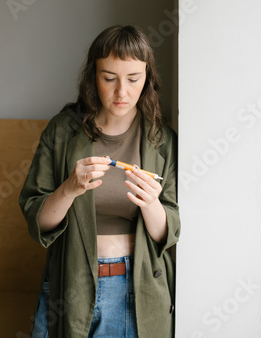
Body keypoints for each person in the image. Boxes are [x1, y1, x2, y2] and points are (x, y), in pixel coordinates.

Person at [19, 25, 181, 338]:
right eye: (109, 78)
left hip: (136, 286)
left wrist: (150, 204)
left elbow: (168, 232)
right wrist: (70, 189)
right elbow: (38, 221)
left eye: (133, 79)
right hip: (70, 281)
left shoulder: (162, 140)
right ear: (93, 76)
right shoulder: (63, 130)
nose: (122, 92)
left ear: (147, 78)